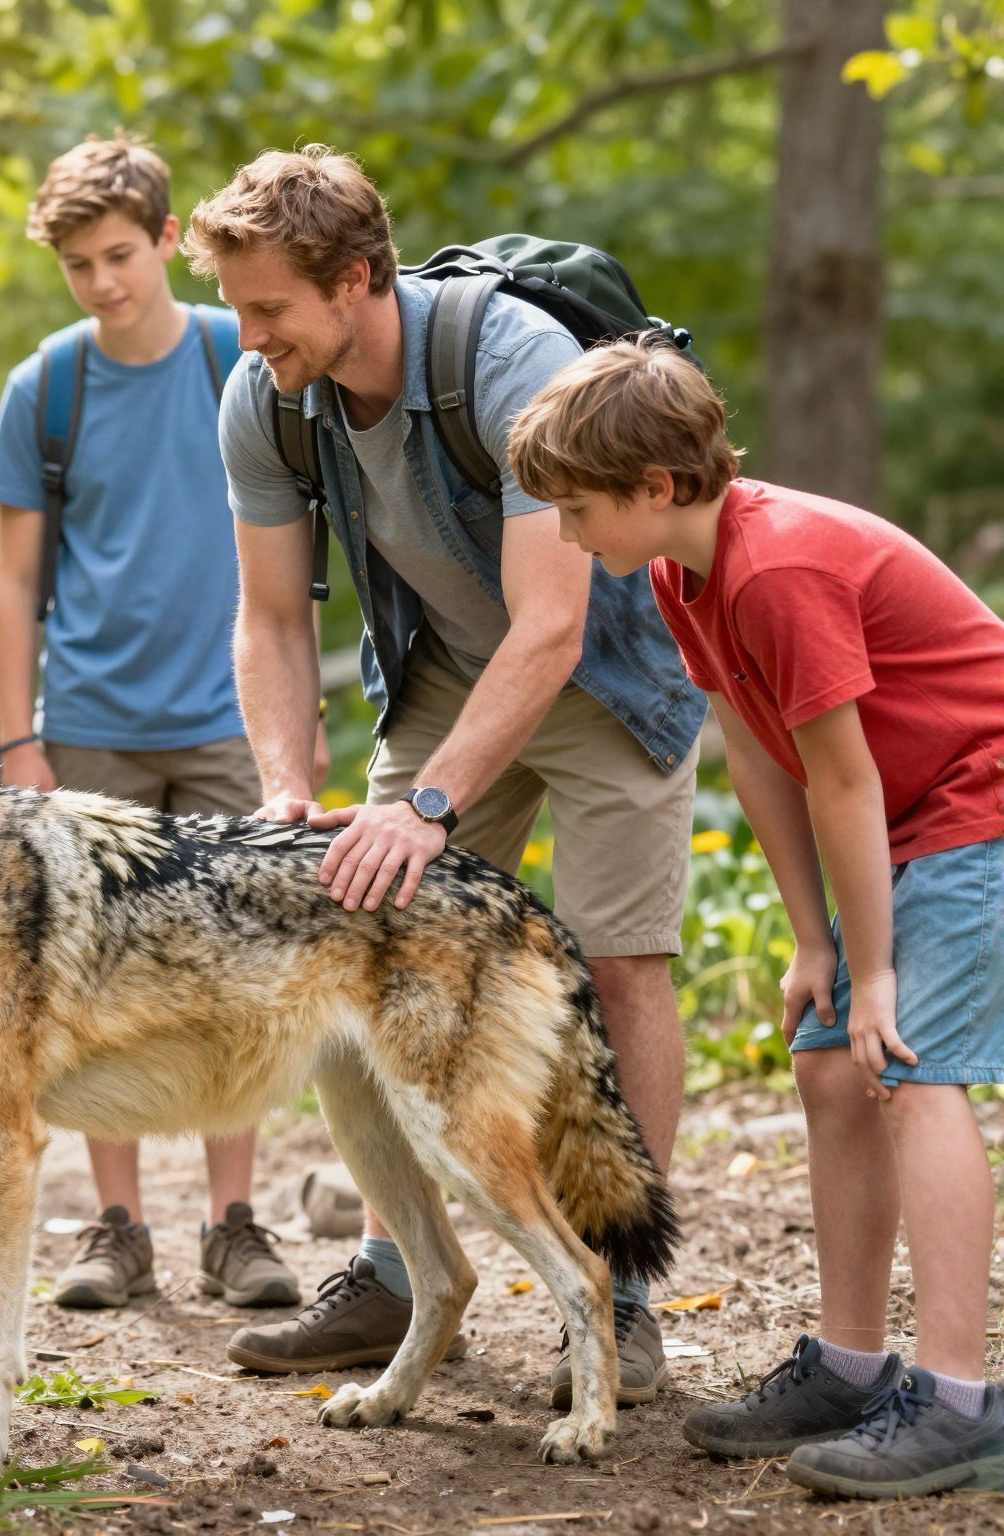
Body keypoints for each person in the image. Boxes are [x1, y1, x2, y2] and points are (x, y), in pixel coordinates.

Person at [184, 147, 704, 1397]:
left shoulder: (510, 354)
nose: (246, 336)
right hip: (439, 675)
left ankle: (622, 1298)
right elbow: (266, 618)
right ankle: (394, 1273)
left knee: (615, 958)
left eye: (268, 310)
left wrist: (428, 808)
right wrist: (280, 785)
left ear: (356, 279)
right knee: (352, 940)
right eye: (236, 307)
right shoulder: (265, 397)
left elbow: (552, 626)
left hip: (600, 674)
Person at [509, 338, 1004, 1499]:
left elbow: (841, 775)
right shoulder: (683, 574)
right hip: (898, 811)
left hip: (973, 796)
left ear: (656, 487)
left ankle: (959, 1401)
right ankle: (847, 1365)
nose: (568, 536)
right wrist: (815, 942)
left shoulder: (778, 567)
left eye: (578, 510)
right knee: (827, 1071)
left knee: (909, 1071)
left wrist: (874, 973)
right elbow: (764, 761)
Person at [0, 133, 301, 1312]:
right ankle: (114, 1228)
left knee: (238, 971)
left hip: (228, 715)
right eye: (77, 264)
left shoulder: (240, 356)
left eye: (119, 254)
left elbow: (300, 545)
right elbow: (12, 582)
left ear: (169, 239)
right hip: (91, 725)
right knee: (89, 978)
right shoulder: (45, 388)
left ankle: (234, 1224)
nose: (102, 281)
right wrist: (19, 738)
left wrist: (294, 729)